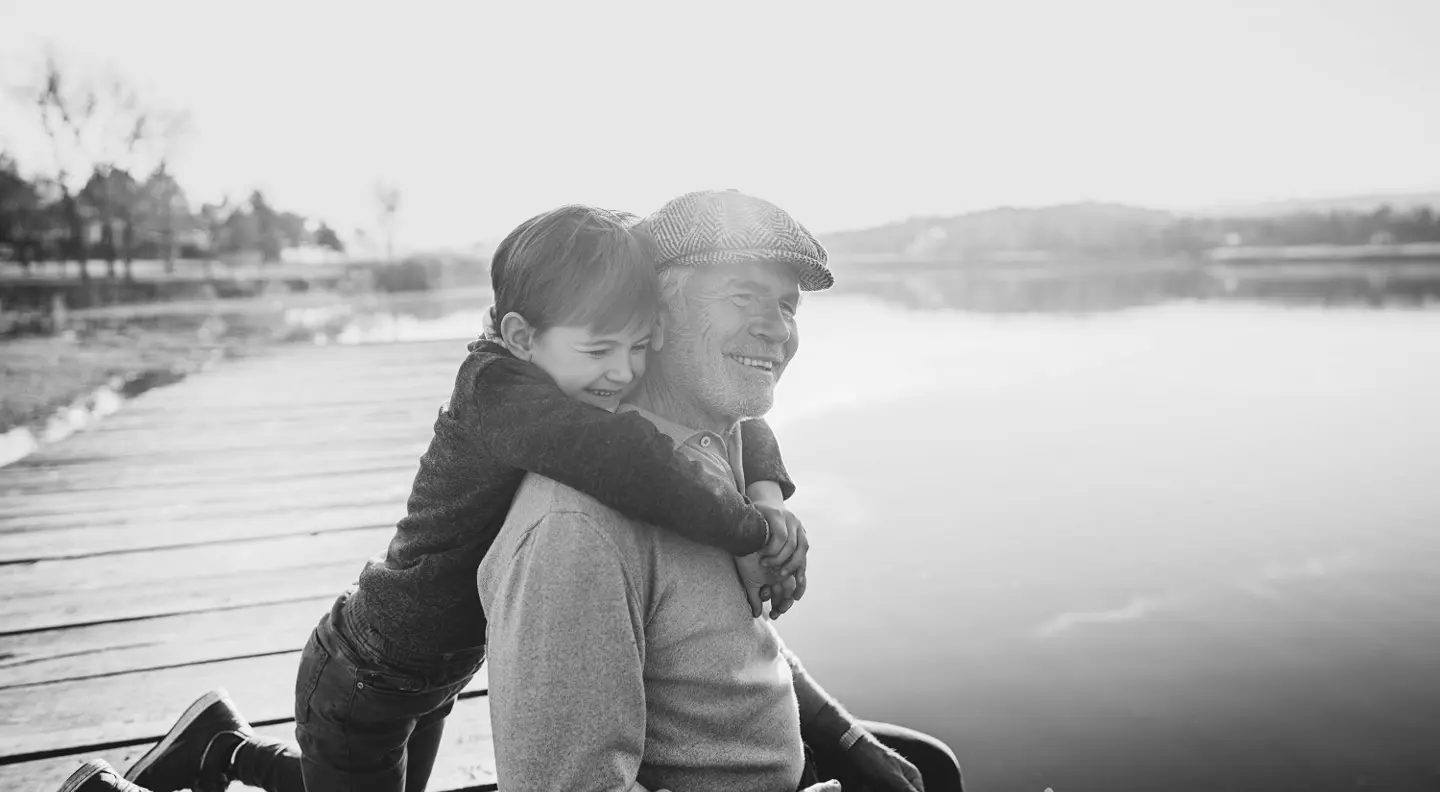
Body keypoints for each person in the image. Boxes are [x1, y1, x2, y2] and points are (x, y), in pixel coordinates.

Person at [62, 204, 812, 792]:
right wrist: (745, 527)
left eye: (639, 346)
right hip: (367, 674)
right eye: (601, 350)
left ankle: (220, 744)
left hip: (429, 672)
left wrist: (765, 485)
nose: (622, 373)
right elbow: (629, 461)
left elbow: (731, 418)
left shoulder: (569, 370)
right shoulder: (503, 394)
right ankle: (128, 779)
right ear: (521, 336)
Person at [478, 189, 963, 792]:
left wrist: (845, 738)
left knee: (932, 766)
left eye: (788, 307)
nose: (777, 331)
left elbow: (725, 644)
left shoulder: (714, 452)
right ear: (654, 318)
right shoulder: (576, 530)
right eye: (743, 297)